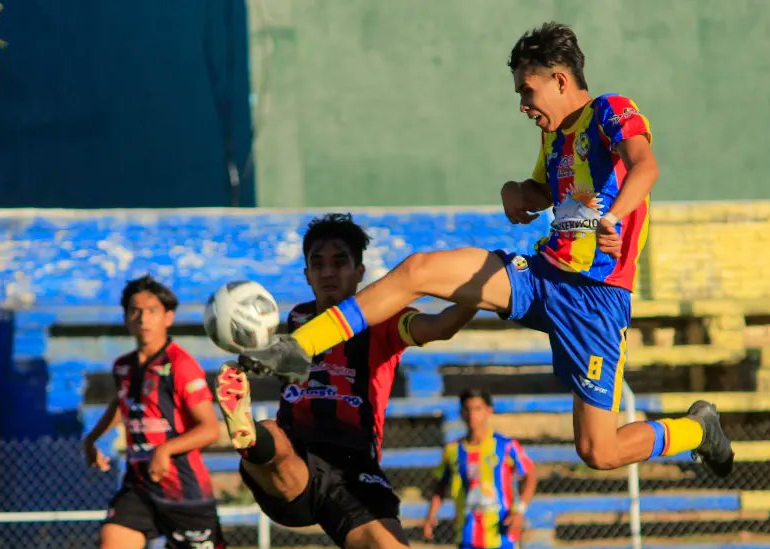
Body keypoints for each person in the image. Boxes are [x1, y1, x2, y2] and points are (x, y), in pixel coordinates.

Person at [239, 21, 734, 479]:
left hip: (596, 298)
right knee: (418, 270)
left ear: (560, 80)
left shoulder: (610, 110)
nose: (522, 103)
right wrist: (518, 191)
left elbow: (645, 167)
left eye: (527, 89)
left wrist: (615, 216)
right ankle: (298, 346)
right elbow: (547, 194)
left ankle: (697, 429)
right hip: (542, 275)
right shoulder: (554, 137)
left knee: (598, 451)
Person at [218, 213, 486, 549]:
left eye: (340, 262)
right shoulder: (291, 322)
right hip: (295, 461)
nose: (328, 271)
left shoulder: (381, 319)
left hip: (353, 471)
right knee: (269, 437)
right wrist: (249, 364)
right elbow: (259, 354)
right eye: (317, 263)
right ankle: (245, 431)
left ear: (360, 272)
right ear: (305, 274)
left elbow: (441, 326)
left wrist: (474, 293)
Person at [69, 276, 280, 549]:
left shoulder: (180, 365)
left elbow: (207, 429)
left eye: (150, 310)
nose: (141, 317)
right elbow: (123, 403)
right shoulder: (124, 367)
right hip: (140, 489)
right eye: (133, 310)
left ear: (167, 317)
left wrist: (166, 450)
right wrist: (93, 438)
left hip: (185, 494)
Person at [424, 389, 539, 549]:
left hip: (502, 529)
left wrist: (519, 509)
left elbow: (530, 475)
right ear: (461, 413)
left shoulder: (505, 446)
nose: (472, 415)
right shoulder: (453, 451)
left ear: (489, 411)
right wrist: (431, 515)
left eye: (478, 409)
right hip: (468, 532)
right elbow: (439, 485)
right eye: (467, 409)